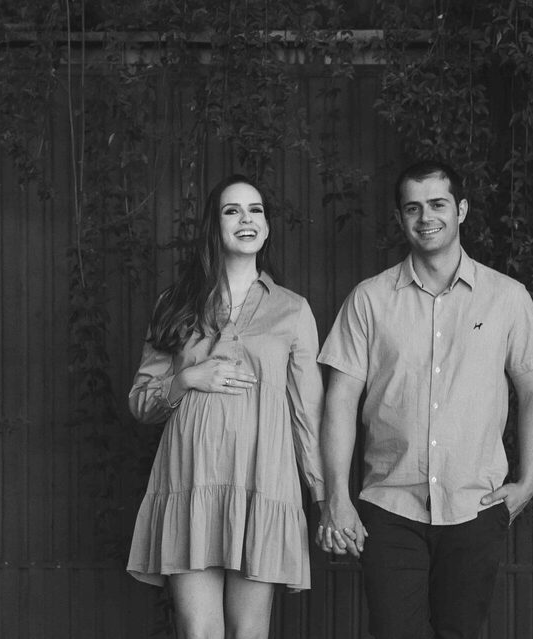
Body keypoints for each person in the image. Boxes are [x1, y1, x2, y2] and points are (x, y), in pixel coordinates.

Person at [316, 160, 533, 639]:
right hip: (389, 506)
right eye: (413, 208)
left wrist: (527, 481)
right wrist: (337, 497)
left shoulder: (507, 298)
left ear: (461, 210)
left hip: (475, 505)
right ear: (400, 218)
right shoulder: (368, 300)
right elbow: (339, 402)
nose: (426, 217)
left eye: (437, 204)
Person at [126, 174, 325, 639]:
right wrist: (186, 379)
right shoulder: (175, 304)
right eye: (232, 210)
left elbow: (307, 415)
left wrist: (325, 498)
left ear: (267, 227)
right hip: (190, 480)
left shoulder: (293, 310)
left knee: (248, 633)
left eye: (255, 210)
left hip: (262, 483)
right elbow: (141, 402)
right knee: (199, 632)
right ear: (214, 226)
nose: (245, 219)